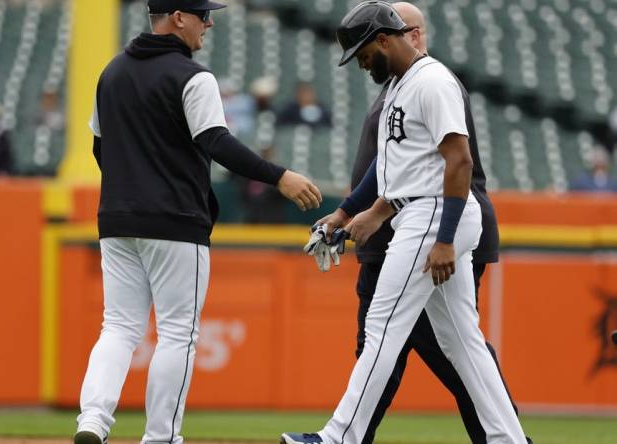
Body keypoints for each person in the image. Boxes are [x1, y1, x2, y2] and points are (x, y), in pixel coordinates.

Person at [76, 1, 322, 444]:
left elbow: (100, 148)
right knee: (177, 334)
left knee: (118, 327)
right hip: (175, 220)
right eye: (202, 14)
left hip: (116, 218)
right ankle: (161, 438)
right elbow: (217, 143)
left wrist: (131, 186)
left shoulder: (110, 73)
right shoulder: (193, 75)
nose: (208, 22)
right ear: (177, 17)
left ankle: (93, 420)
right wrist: (279, 176)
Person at [281, 2, 527, 443]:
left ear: (383, 39)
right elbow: (391, 166)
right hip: (418, 209)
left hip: (434, 213)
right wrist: (352, 211)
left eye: (363, 52)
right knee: (462, 343)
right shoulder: (401, 85)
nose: (360, 63)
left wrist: (446, 238)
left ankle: (339, 437)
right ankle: (508, 439)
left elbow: (460, 161)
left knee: (382, 327)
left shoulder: (432, 82)